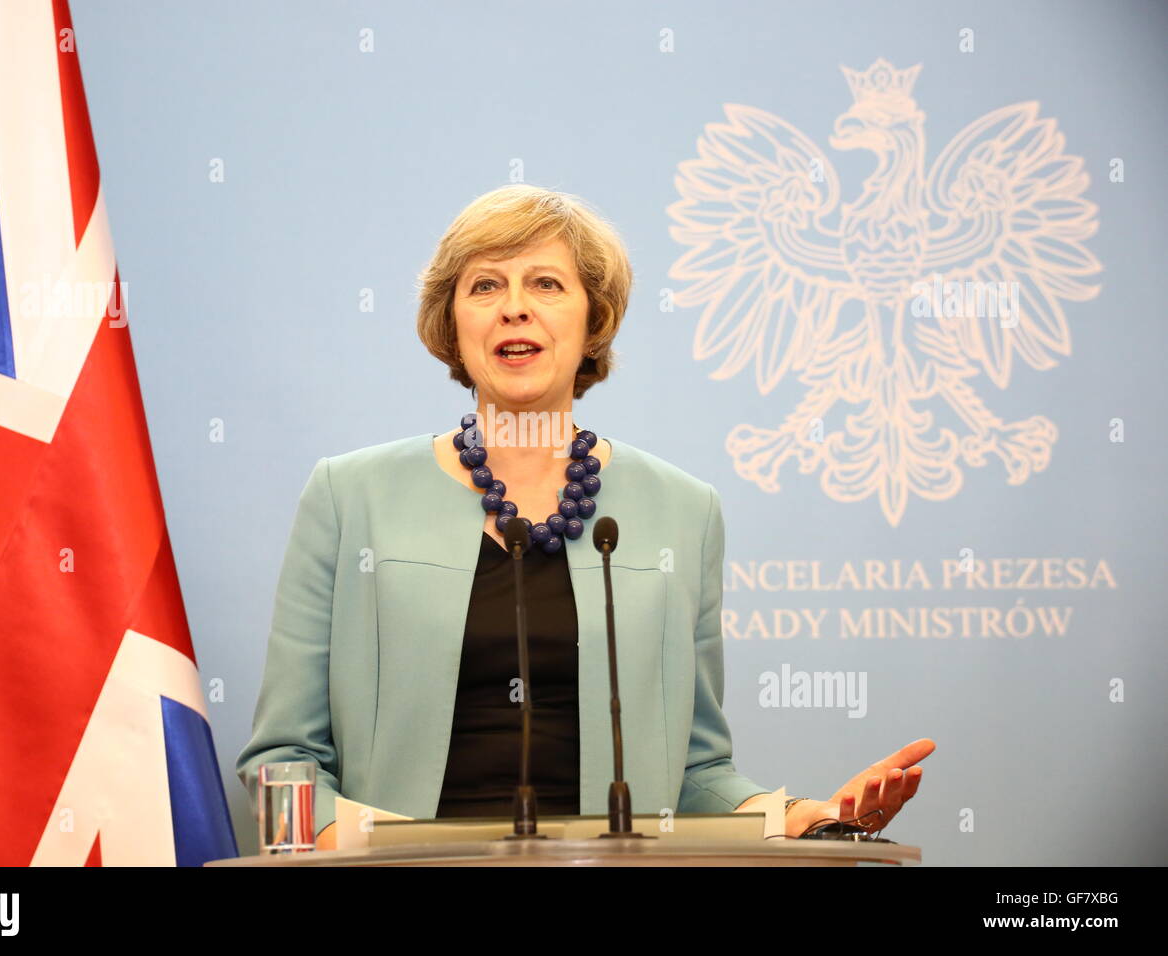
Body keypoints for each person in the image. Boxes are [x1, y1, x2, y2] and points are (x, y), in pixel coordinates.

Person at [236, 183, 934, 851]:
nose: (514, 307)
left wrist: (805, 817)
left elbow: (693, 774)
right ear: (453, 323)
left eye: (545, 283)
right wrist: (373, 848)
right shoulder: (348, 496)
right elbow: (276, 771)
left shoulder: (683, 512)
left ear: (594, 319)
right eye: (484, 285)